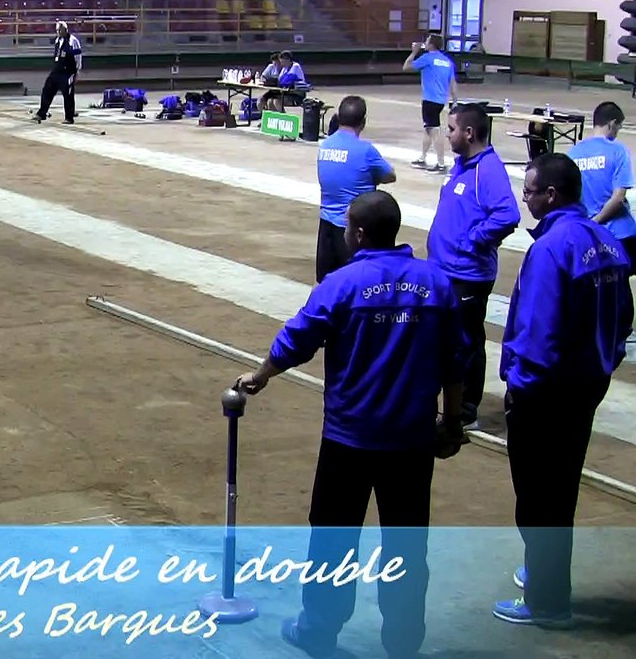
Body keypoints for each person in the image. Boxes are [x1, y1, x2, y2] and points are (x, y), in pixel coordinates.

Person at [234, 190, 468, 659]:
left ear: (359, 233)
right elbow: (455, 359)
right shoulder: (436, 284)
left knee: (333, 541)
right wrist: (453, 421)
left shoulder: (342, 284)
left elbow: (296, 339)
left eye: (346, 226)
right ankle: (403, 642)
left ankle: (319, 629)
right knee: (406, 546)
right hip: (411, 442)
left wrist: (259, 376)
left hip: (350, 440)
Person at [494, 153, 633, 627]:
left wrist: (519, 390)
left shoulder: (551, 249)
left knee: (538, 497)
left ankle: (547, 601)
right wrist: (605, 361)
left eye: (529, 191)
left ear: (550, 195)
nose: (525, 198)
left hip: (545, 394)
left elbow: (537, 331)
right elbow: (624, 317)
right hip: (586, 386)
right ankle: (543, 572)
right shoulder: (607, 239)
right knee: (561, 488)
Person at [425, 103, 521, 426]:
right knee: (443, 337)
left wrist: (472, 239)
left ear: (468, 133)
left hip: (467, 274)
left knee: (466, 340)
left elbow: (509, 215)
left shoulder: (488, 170)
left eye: (451, 129)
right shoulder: (462, 165)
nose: (448, 134)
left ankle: (466, 410)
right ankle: (449, 399)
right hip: (445, 270)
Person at [315, 95, 396, 282]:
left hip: (327, 223)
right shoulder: (366, 150)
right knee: (358, 284)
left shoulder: (325, 145)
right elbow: (390, 176)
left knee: (323, 282)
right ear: (363, 121)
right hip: (354, 228)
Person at [567, 101, 636, 265]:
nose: (618, 132)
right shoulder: (618, 150)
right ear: (612, 124)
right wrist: (596, 222)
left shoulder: (573, 153)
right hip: (620, 234)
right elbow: (618, 198)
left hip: (587, 235)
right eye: (619, 127)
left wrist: (588, 225)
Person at [404, 34, 457, 174]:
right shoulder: (447, 61)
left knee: (434, 132)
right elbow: (452, 82)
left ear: (432, 44)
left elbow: (406, 66)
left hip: (429, 100)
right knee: (428, 129)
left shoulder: (428, 58)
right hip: (440, 100)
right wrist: (455, 100)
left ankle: (441, 164)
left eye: (427, 41)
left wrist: (414, 52)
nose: (425, 44)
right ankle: (423, 158)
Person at [32, 20, 81, 124]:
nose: (58, 32)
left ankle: (69, 117)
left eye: (60, 30)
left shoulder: (73, 41)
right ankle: (42, 113)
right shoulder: (57, 40)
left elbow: (78, 57)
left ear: (65, 30)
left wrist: (77, 71)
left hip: (68, 72)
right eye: (57, 30)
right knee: (47, 90)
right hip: (56, 71)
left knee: (68, 95)